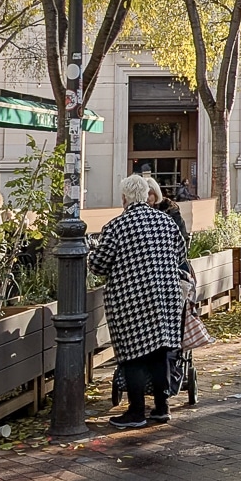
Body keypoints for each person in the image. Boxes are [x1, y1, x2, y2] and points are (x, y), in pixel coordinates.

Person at [89, 174, 186, 430]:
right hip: (166, 296)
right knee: (160, 352)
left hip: (130, 301)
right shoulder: (166, 222)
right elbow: (180, 254)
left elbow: (99, 265)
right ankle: (162, 408)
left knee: (133, 356)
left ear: (124, 198)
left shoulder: (116, 226)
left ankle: (136, 412)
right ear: (146, 195)